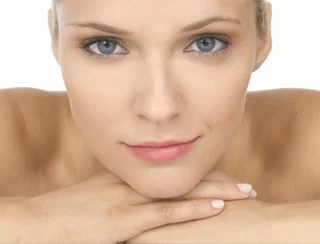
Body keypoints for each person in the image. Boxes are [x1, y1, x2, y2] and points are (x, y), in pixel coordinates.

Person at [1, 0, 320, 243]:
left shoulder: (306, 137)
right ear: (56, 39)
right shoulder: (12, 135)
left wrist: (270, 227)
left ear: (262, 37)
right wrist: (32, 219)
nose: (159, 108)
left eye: (207, 42)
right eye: (106, 45)